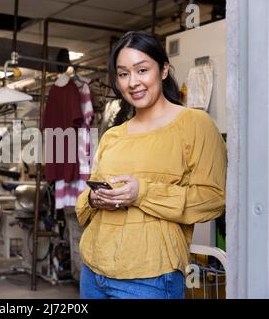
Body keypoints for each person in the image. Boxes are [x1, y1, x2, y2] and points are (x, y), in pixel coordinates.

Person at [75, 31, 227, 299]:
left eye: (142, 70)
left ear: (164, 69)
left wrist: (142, 193)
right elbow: (87, 202)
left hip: (150, 277)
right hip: (93, 271)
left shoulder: (195, 124)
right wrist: (96, 199)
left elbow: (213, 199)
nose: (133, 82)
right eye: (123, 74)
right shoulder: (113, 135)